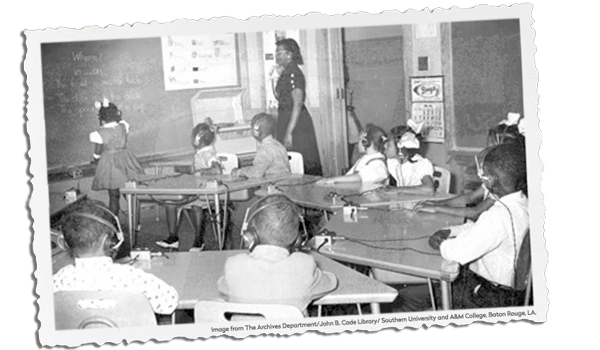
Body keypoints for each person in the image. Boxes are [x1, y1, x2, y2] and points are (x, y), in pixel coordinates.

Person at [429, 142, 529, 309]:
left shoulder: (498, 215)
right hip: (512, 294)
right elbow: (481, 229)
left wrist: (442, 243)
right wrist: (452, 231)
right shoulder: (522, 204)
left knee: (423, 294)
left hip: (491, 297)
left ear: (489, 181)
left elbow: (457, 253)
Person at [217, 194, 338, 314]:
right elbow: (331, 282)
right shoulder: (304, 265)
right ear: (298, 241)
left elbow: (222, 287)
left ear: (251, 235)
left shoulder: (234, 265)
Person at [53, 200, 179, 315]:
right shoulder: (130, 277)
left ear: (65, 244)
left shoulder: (60, 279)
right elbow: (169, 303)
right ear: (109, 242)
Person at [414, 113, 525, 220]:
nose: (486, 150)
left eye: (491, 147)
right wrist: (438, 203)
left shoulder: (505, 184)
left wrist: (437, 208)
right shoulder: (494, 174)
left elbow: (475, 212)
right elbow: (470, 197)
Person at [156, 119, 222, 251]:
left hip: (205, 194)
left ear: (197, 140)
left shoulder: (208, 153)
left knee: (196, 206)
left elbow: (217, 170)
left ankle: (198, 240)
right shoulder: (201, 153)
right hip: (196, 190)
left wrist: (198, 172)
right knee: (170, 202)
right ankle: (173, 238)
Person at [272, 38, 323, 176]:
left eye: (279, 52)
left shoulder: (294, 72)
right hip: (287, 118)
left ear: (289, 54)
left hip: (296, 123)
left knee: (301, 161)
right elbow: (282, 97)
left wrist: (289, 132)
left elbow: (298, 103)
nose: (276, 55)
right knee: (289, 161)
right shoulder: (286, 71)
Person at [89, 98, 145, 215]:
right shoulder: (123, 126)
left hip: (110, 164)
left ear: (102, 118)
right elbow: (120, 121)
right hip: (126, 159)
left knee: (113, 195)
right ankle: (135, 221)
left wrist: (96, 159)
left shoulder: (100, 133)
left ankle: (113, 222)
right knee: (129, 192)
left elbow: (98, 151)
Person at [316, 124, 389, 185]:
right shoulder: (363, 159)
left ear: (365, 142)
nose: (357, 143)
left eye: (359, 140)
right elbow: (348, 176)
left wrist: (330, 180)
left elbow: (359, 177)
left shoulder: (378, 163)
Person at [231, 113, 291, 178]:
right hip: (285, 184)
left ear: (256, 131)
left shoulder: (265, 150)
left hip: (274, 185)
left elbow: (256, 173)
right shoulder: (279, 145)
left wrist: (239, 172)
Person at [385, 119, 435, 195]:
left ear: (400, 148)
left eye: (388, 145)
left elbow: (429, 189)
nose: (384, 146)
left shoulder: (419, 164)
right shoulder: (394, 162)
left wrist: (398, 190)